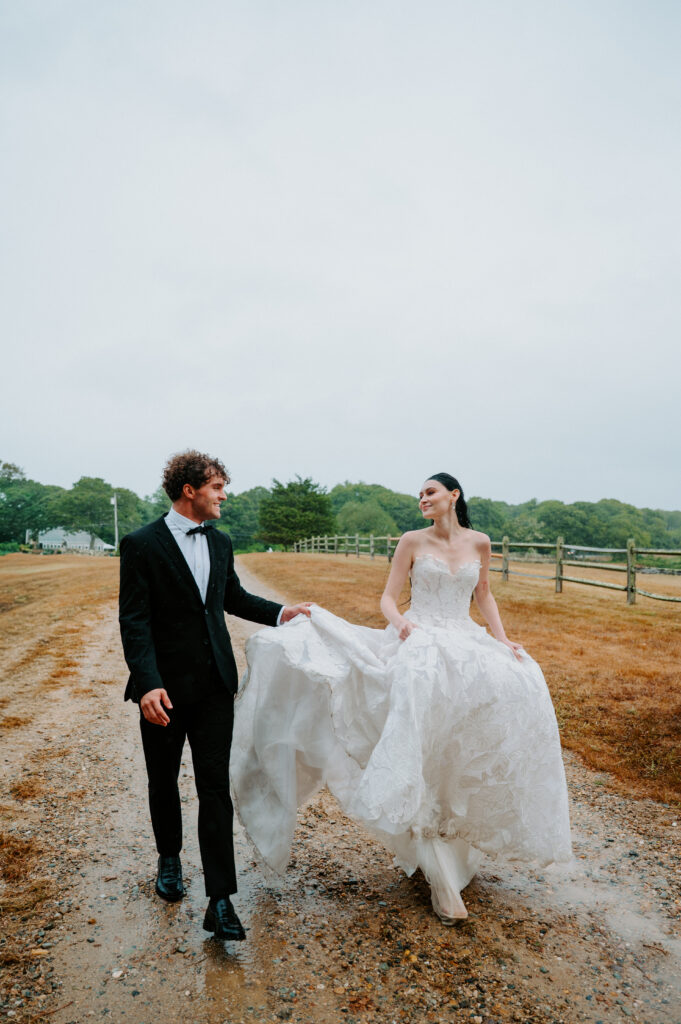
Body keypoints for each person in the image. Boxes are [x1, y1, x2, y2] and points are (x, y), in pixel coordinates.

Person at [231, 473, 572, 923]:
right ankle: (436, 869)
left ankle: (456, 845)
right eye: (420, 495)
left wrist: (503, 639)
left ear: (454, 496)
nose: (423, 499)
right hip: (420, 640)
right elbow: (388, 599)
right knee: (417, 739)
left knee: (495, 709)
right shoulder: (411, 541)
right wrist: (403, 626)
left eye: (430, 492)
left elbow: (483, 594)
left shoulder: (481, 542)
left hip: (464, 641)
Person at [118, 450, 310, 941]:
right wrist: (146, 683)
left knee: (214, 789)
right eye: (218, 486)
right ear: (190, 490)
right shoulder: (140, 544)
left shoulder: (221, 543)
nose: (225, 495)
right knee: (162, 781)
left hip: (214, 689)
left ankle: (220, 899)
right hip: (161, 692)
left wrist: (283, 613)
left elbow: (233, 598)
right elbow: (134, 620)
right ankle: (168, 860)